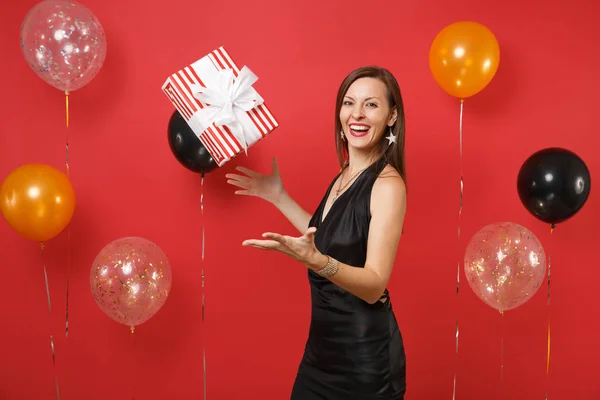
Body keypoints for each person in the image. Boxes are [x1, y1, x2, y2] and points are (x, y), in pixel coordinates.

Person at [225, 66, 408, 400]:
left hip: (365, 360)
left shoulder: (387, 184)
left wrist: (318, 262)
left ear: (391, 116)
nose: (357, 114)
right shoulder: (345, 174)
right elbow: (329, 236)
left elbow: (374, 285)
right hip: (321, 353)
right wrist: (279, 197)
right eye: (349, 103)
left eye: (371, 105)